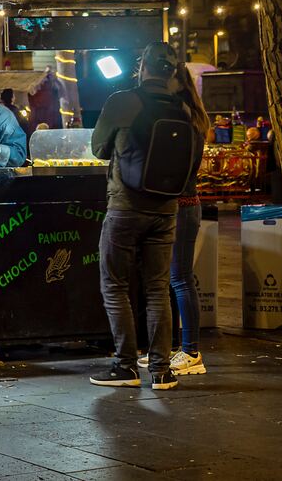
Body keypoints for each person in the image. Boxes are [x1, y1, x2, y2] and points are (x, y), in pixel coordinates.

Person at [90, 42, 195, 391]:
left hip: (125, 207)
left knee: (115, 284)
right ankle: (162, 371)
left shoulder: (124, 101)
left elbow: (98, 148)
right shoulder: (183, 108)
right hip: (166, 210)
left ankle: (125, 366)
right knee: (157, 289)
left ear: (142, 67)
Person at [136, 63, 208, 376]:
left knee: (180, 278)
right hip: (180, 205)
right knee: (169, 280)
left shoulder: (185, 120)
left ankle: (191, 352)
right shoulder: (189, 118)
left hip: (182, 205)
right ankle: (168, 350)